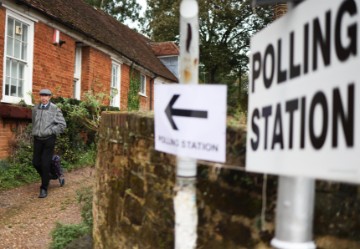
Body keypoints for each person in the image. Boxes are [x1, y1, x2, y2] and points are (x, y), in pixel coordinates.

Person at [32, 89, 66, 198]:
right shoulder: (35, 108)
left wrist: (51, 131)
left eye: (46, 96)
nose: (44, 98)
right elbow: (34, 122)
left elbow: (62, 125)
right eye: (42, 95)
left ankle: (44, 188)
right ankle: (50, 175)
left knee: (45, 163)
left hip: (49, 139)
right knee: (36, 162)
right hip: (37, 138)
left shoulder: (54, 109)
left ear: (50, 97)